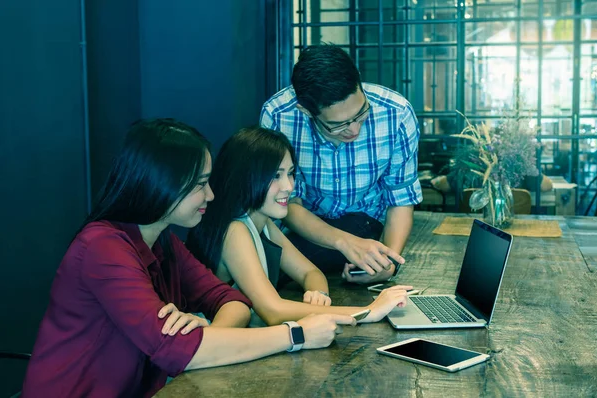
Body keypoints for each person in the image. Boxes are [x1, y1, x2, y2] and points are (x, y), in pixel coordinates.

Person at [21, 119, 355, 398]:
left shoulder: (163, 240)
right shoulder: (102, 248)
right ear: (160, 184)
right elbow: (178, 351)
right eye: (199, 185)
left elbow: (233, 301)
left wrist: (206, 339)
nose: (210, 195)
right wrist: (295, 335)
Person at [187, 127, 412, 327]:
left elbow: (310, 272)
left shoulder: (262, 223)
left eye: (291, 173)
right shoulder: (235, 230)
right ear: (245, 178)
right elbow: (273, 311)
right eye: (275, 176)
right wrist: (370, 311)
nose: (288, 186)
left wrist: (317, 294)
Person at [259, 44, 422, 285]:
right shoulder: (278, 117)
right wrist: (344, 242)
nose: (354, 130)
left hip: (368, 223)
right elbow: (288, 202)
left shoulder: (396, 113)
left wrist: (388, 262)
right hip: (303, 228)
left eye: (361, 114)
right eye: (338, 125)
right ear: (306, 111)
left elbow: (399, 199)